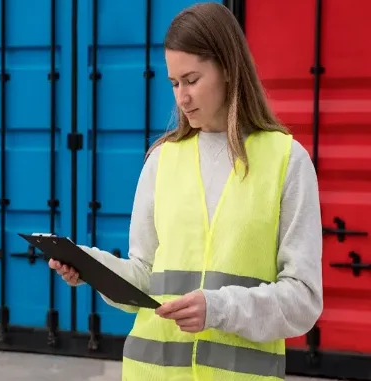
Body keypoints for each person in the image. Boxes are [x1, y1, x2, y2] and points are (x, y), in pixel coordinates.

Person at [49, 2, 323, 380]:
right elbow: (144, 275)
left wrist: (218, 308)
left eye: (192, 80)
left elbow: (303, 300)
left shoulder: (286, 161)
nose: (181, 97)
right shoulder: (162, 160)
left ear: (228, 69)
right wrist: (91, 267)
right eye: (174, 83)